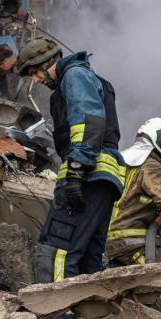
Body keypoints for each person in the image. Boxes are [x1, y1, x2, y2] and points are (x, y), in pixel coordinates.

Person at [17, 38, 126, 282]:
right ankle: (87, 318)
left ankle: (56, 314)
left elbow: (88, 123)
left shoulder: (74, 76)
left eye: (35, 72)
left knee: (56, 250)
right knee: (88, 255)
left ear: (49, 62)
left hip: (87, 173)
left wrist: (76, 169)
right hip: (103, 179)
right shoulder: (89, 78)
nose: (36, 80)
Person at [106, 118, 161, 265]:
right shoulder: (149, 166)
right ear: (160, 144)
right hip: (127, 239)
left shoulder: (121, 159)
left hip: (109, 234)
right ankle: (134, 270)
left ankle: (123, 264)